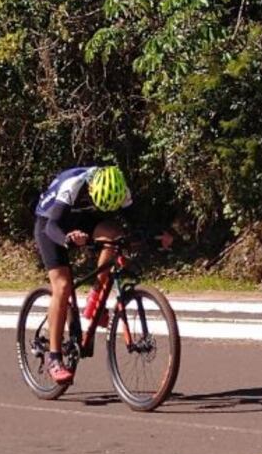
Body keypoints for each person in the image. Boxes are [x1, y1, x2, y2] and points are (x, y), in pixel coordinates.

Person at [33, 164, 172, 383]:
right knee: (62, 286)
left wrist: (158, 236)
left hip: (84, 219)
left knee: (115, 236)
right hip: (52, 222)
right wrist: (67, 239)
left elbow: (136, 223)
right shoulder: (73, 185)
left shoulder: (121, 189)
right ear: (90, 190)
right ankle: (54, 358)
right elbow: (52, 226)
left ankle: (95, 299)